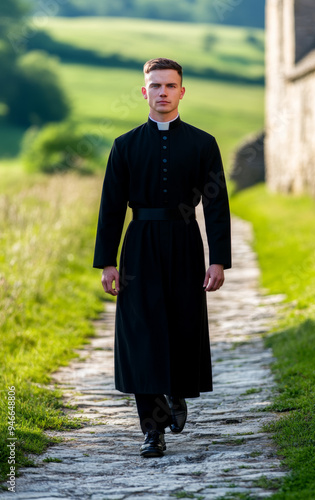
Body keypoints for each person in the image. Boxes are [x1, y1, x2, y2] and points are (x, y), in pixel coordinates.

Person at [93, 58, 231, 458]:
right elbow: (111, 208)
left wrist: (218, 258)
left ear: (182, 91)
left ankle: (178, 393)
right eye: (156, 86)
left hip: (186, 243)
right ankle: (153, 432)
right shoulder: (125, 146)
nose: (163, 92)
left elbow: (217, 206)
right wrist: (107, 262)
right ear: (145, 91)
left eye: (170, 86)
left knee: (182, 325)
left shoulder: (203, 144)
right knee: (142, 336)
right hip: (139, 247)